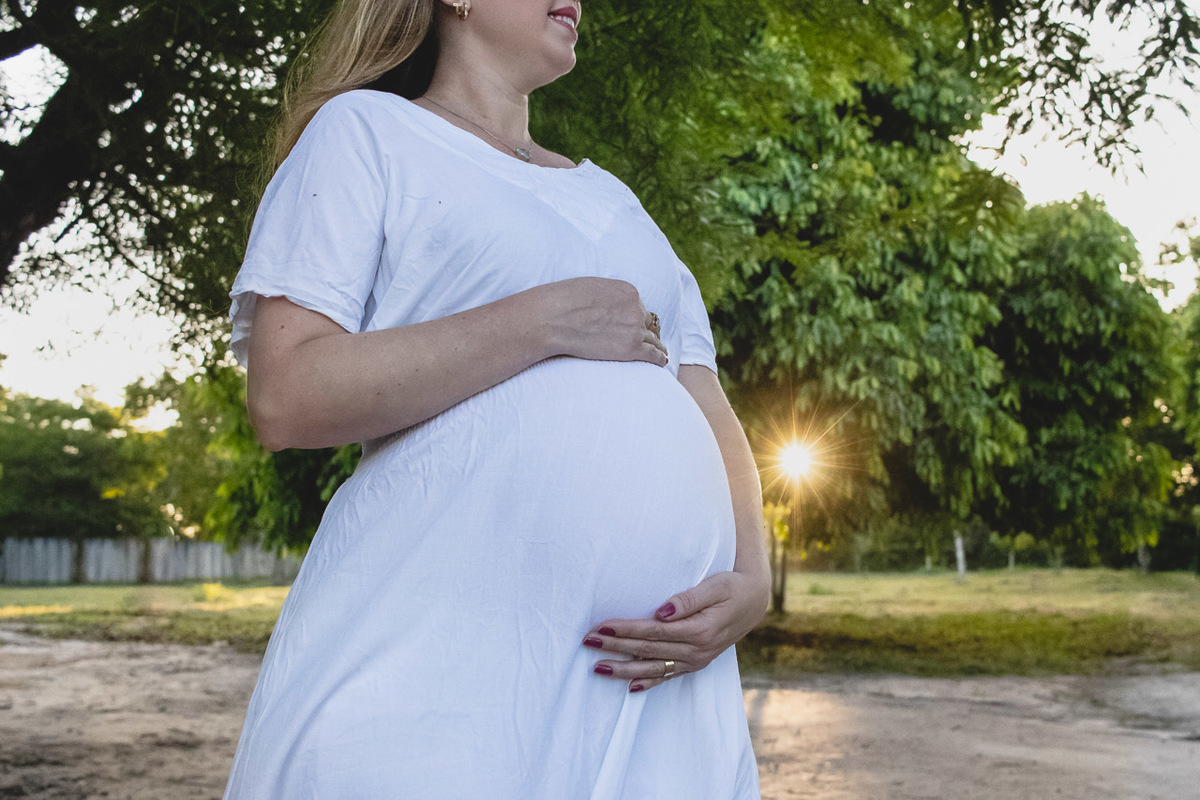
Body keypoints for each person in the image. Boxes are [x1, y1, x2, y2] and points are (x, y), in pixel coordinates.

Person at [221, 0, 770, 797]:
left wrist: (751, 580)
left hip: (653, 694)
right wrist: (540, 320)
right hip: (441, 671)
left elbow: (705, 399)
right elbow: (286, 395)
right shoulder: (366, 133)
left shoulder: (618, 204)